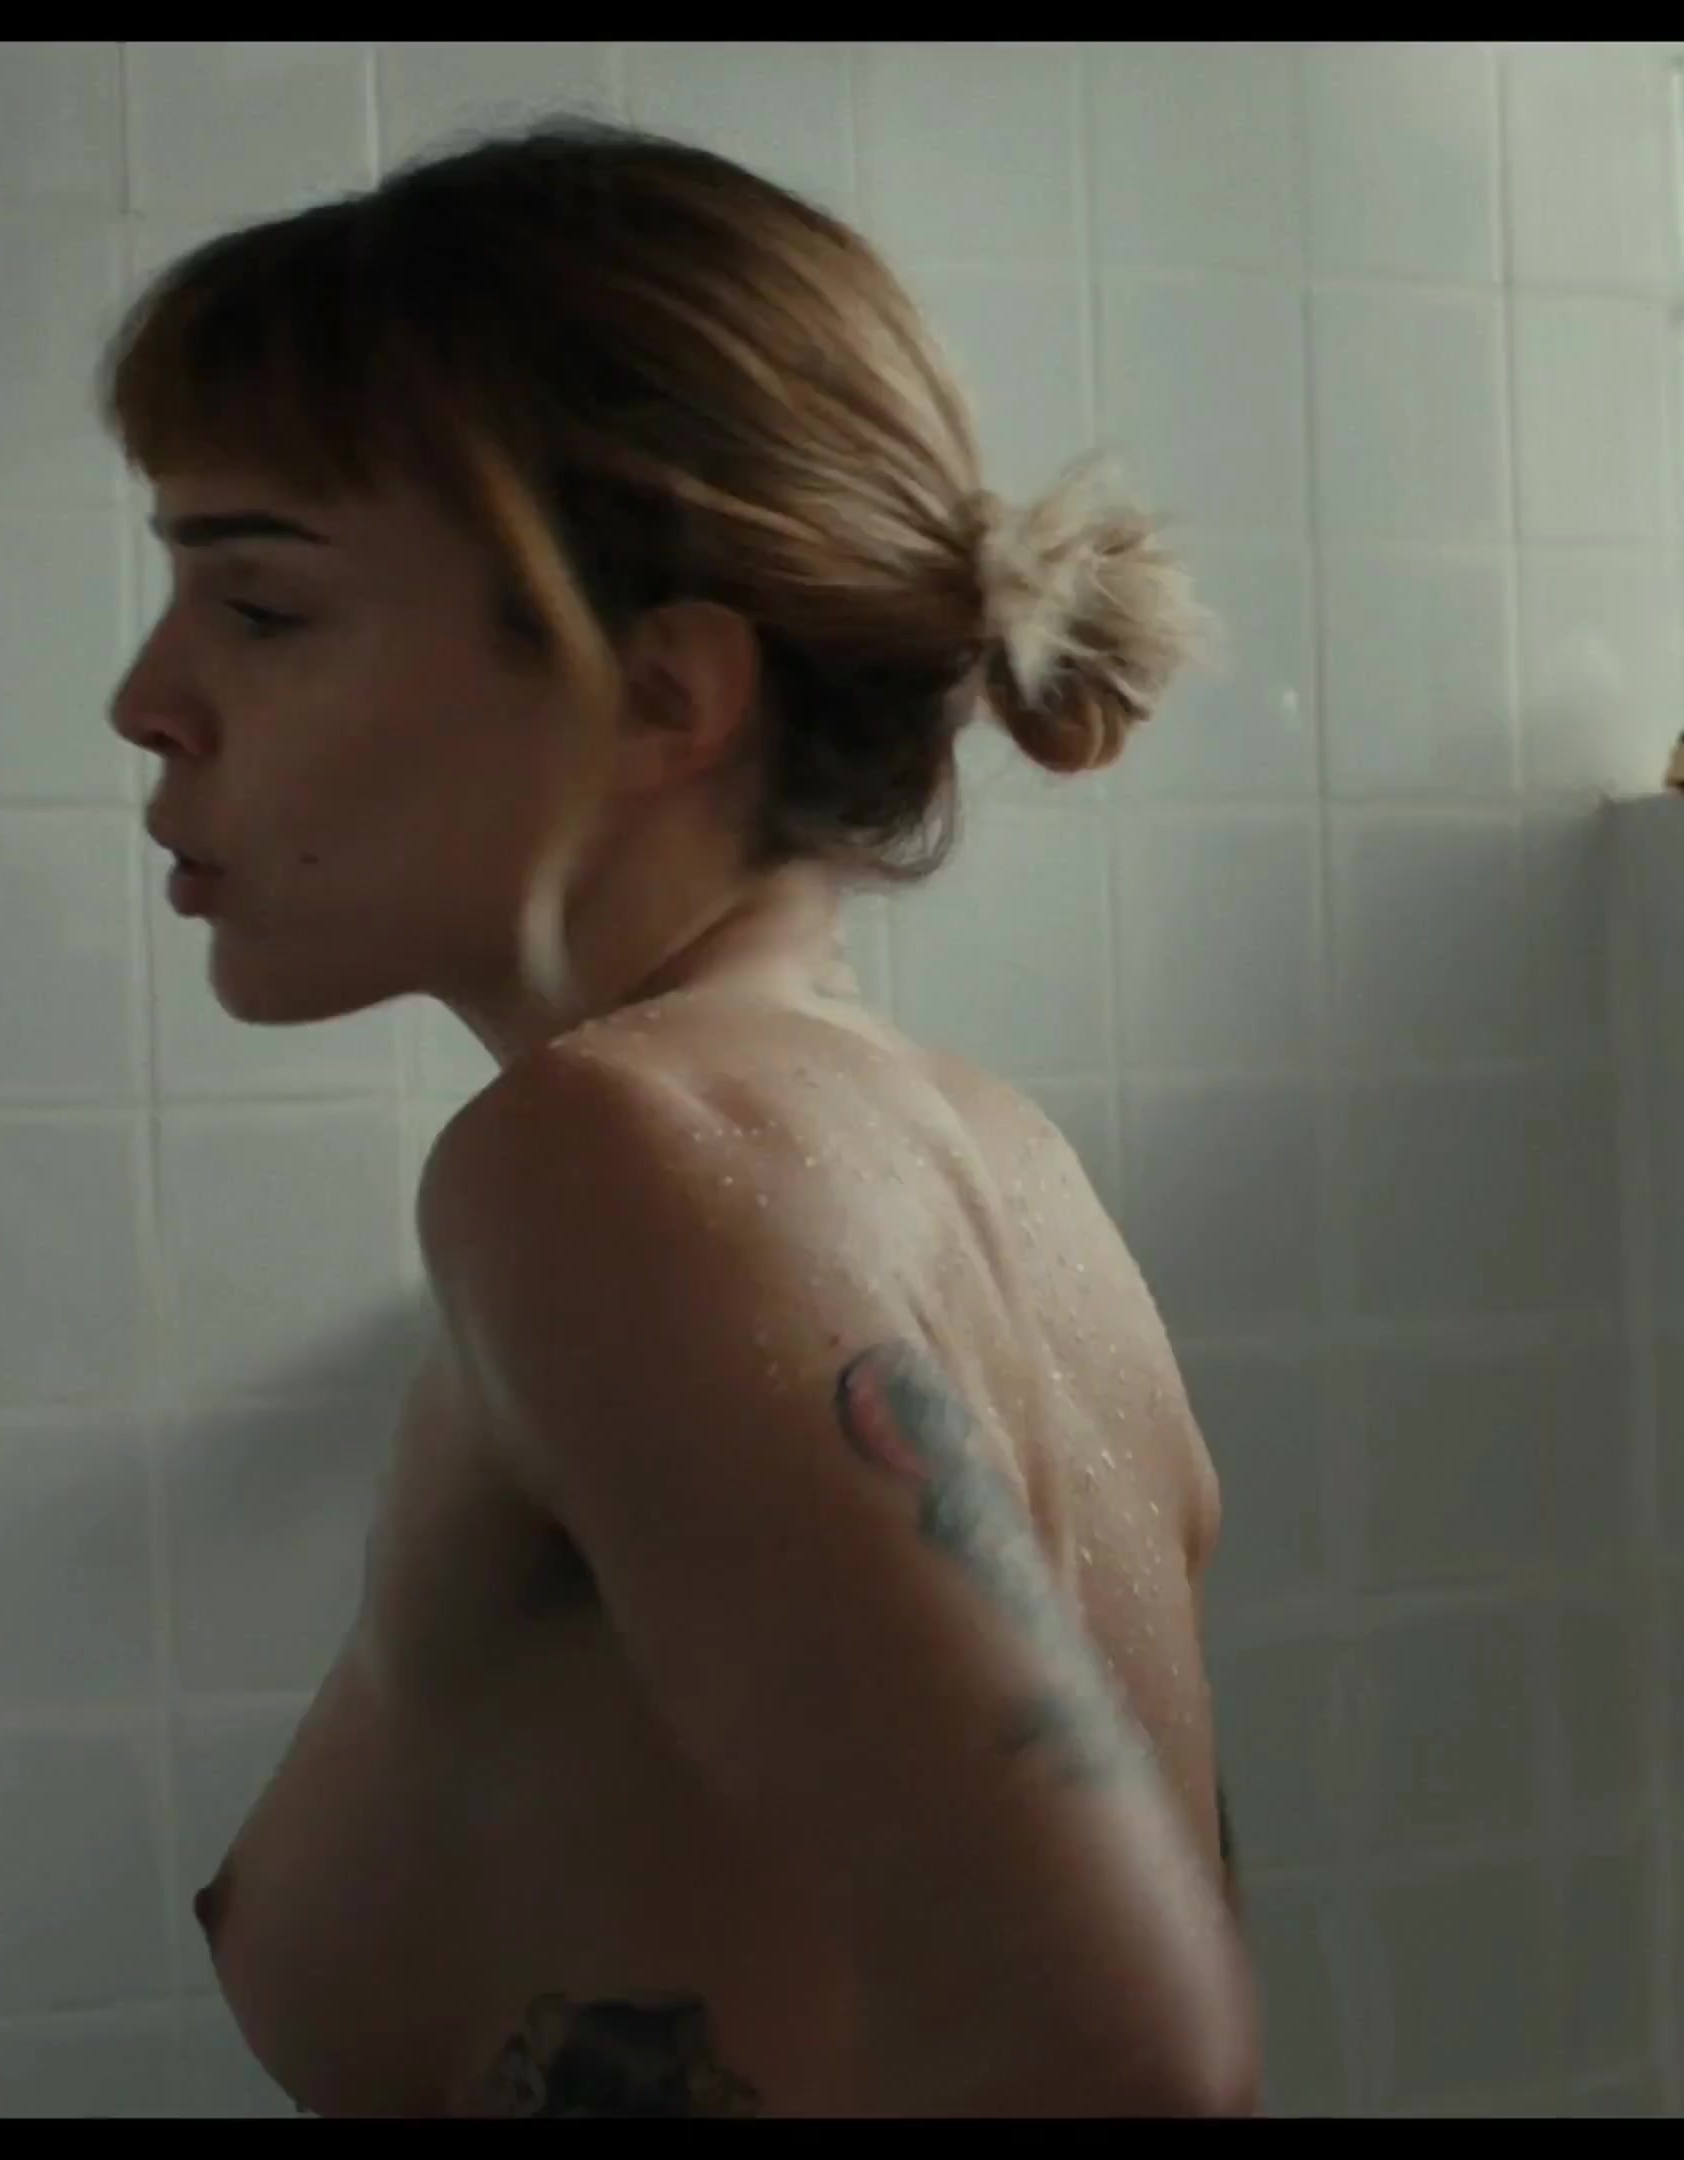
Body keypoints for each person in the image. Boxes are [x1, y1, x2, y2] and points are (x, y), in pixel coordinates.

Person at [99, 118, 1255, 2119]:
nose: (147, 696)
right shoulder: (988, 1160)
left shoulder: (616, 1162)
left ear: (662, 697)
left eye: (262, 608)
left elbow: (1127, 2060)